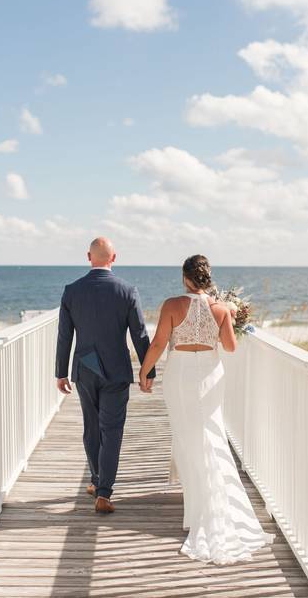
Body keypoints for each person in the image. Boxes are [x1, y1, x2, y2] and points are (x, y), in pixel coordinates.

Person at [138, 254, 274, 564]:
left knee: (187, 438)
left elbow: (159, 343)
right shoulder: (221, 308)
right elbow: (229, 347)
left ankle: (200, 510)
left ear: (185, 277)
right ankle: (216, 507)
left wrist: (144, 371)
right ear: (207, 278)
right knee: (212, 437)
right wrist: (230, 316)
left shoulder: (172, 305)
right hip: (211, 375)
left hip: (182, 375)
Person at [55, 237, 155, 513]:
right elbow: (140, 335)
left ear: (89, 256)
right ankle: (104, 493)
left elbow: (65, 336)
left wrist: (61, 372)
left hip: (85, 369)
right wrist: (148, 370)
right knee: (111, 430)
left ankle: (97, 479)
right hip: (116, 371)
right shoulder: (127, 291)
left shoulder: (72, 291)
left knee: (91, 426)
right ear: (114, 257)